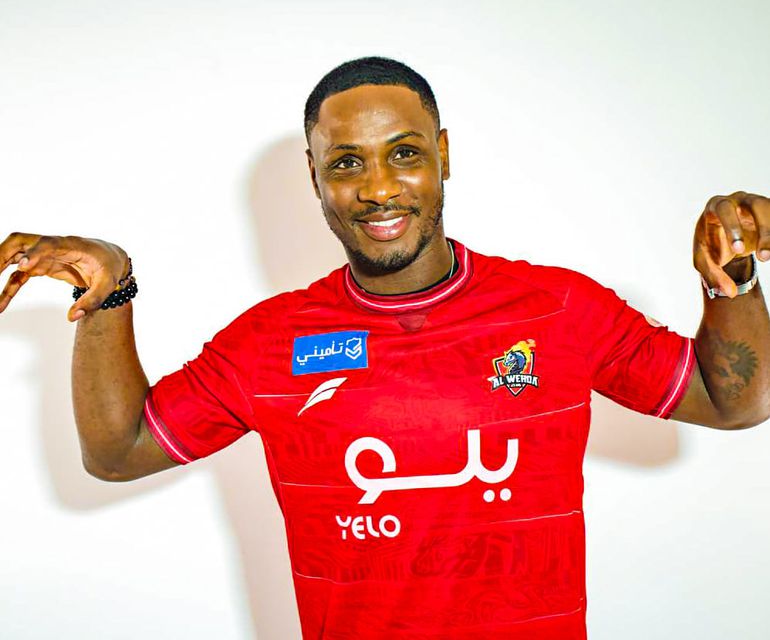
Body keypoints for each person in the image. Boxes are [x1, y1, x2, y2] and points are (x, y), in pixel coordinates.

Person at [1, 56, 768, 639]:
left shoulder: (559, 308)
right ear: (315, 178)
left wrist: (732, 281)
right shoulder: (268, 342)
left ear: (442, 154)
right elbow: (119, 452)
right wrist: (110, 294)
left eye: (403, 153)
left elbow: (734, 401)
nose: (377, 188)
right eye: (347, 163)